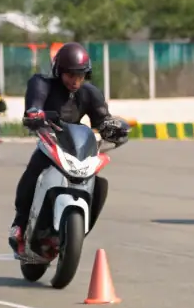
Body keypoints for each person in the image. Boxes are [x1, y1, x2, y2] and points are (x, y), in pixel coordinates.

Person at [9, 41, 128, 253]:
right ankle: (19, 223)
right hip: (50, 144)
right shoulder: (42, 83)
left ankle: (76, 231)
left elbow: (102, 120)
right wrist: (35, 113)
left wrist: (114, 128)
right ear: (59, 71)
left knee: (100, 183)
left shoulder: (90, 93)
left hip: (79, 148)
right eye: (70, 75)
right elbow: (35, 103)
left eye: (80, 75)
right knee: (34, 170)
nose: (75, 80)